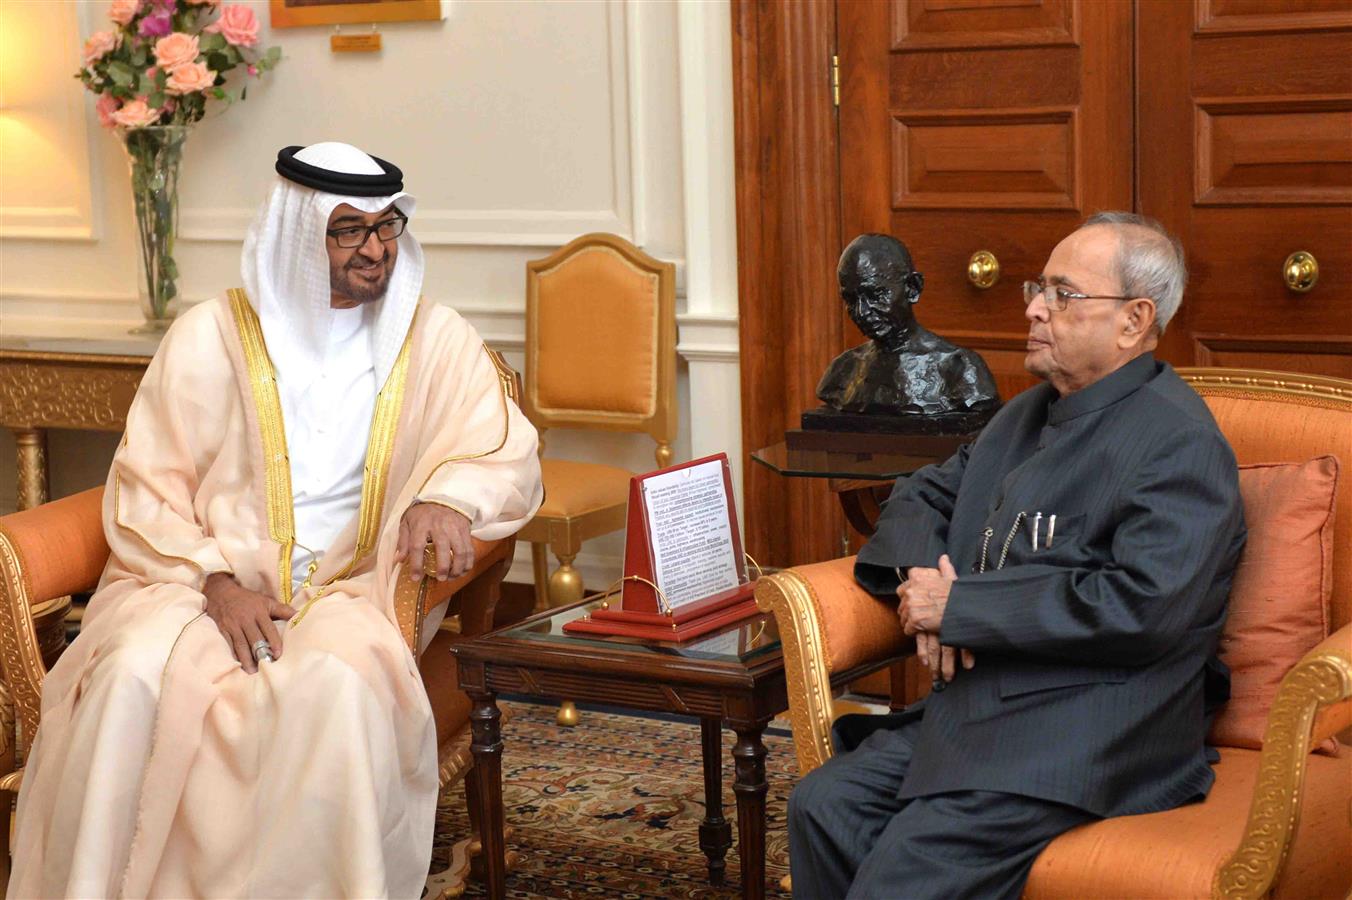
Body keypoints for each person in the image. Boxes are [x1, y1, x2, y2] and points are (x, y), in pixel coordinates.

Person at [9, 142, 543, 898]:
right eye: (348, 230)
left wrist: (447, 497)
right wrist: (217, 583)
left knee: (331, 688)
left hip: (351, 588)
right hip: (194, 581)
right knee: (131, 673)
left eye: (387, 227)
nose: (375, 250)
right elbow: (144, 487)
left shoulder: (434, 338)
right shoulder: (207, 338)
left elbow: (501, 447)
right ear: (298, 233)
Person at [788, 212, 1246, 899]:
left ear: (1134, 319)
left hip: (1093, 727)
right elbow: (922, 494)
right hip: (992, 706)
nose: (1033, 307)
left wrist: (965, 607)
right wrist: (926, 590)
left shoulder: (1178, 442)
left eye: (1063, 294)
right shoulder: (1024, 414)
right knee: (823, 806)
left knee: (906, 872)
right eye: (1039, 287)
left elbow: (1143, 606)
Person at [815, 233, 1000, 420]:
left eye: (876, 295)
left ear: (913, 288)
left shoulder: (960, 370)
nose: (862, 312)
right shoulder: (842, 371)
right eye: (851, 299)